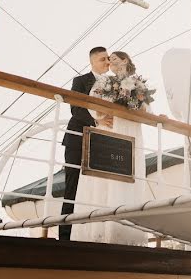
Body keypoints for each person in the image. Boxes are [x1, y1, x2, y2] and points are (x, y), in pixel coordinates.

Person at [72, 51, 150, 245]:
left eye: (114, 58)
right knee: (104, 180)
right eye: (108, 58)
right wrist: (99, 117)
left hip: (130, 131)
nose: (110, 61)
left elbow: (147, 109)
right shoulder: (105, 82)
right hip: (110, 129)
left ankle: (127, 233)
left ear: (125, 60)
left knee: (128, 179)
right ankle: (99, 232)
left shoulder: (138, 83)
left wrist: (139, 105)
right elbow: (92, 104)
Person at [59, 46, 108, 241]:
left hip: (102, 143)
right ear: (93, 61)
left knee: (98, 189)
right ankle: (65, 236)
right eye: (103, 59)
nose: (107, 63)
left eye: (108, 59)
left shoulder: (116, 84)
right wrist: (97, 121)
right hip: (77, 138)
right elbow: (76, 110)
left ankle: (93, 234)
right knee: (73, 185)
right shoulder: (80, 81)